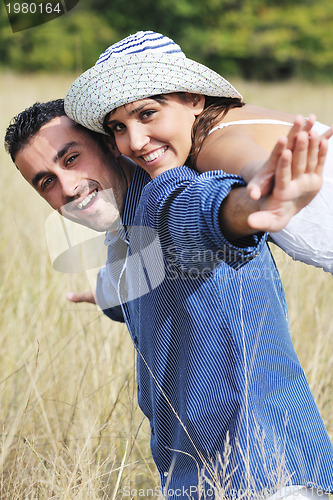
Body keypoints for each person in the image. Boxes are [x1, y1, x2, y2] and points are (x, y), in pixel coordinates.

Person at [5, 99, 332, 498]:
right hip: (200, 482)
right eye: (46, 182)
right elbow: (133, 279)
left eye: (71, 159)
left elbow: (204, 212)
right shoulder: (122, 230)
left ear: (110, 145)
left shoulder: (167, 196)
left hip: (265, 475)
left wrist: (253, 206)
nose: (68, 187)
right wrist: (104, 295)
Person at [65, 30, 333, 274]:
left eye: (147, 114)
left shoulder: (212, 142)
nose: (134, 143)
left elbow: (243, 159)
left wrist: (263, 176)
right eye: (119, 127)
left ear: (194, 98)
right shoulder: (227, 118)